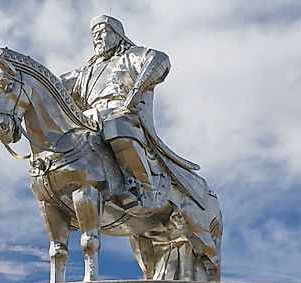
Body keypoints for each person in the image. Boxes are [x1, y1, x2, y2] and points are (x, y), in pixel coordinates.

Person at [60, 15, 199, 209]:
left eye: (103, 32)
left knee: (115, 126)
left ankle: (145, 188)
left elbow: (159, 59)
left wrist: (136, 91)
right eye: (95, 34)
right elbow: (54, 85)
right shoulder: (85, 71)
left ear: (117, 35)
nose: (98, 37)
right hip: (89, 118)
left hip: (121, 112)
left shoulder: (130, 56)